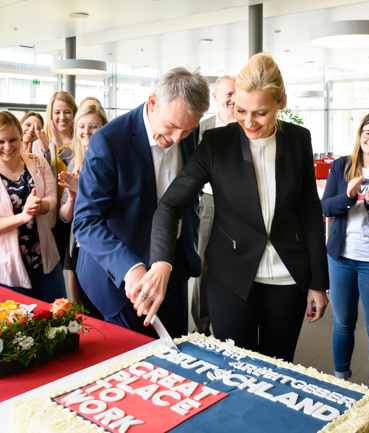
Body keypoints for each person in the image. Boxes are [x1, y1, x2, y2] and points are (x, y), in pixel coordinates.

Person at [137, 53, 330, 363]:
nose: (249, 123)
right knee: (233, 368)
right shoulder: (216, 143)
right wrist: (161, 261)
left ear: (281, 102)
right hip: (230, 277)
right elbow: (171, 204)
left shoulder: (298, 139)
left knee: (279, 368)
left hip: (289, 278)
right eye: (240, 110)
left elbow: (309, 210)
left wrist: (319, 282)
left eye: (261, 113)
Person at [72, 67, 208, 338]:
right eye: (171, 126)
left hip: (173, 270)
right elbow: (85, 222)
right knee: (131, 369)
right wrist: (130, 269)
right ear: (153, 103)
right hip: (121, 279)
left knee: (175, 358)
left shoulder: (187, 132)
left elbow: (188, 195)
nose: (178, 138)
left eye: (187, 129)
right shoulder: (108, 141)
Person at [321, 111, 369, 391]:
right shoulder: (342, 165)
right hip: (340, 257)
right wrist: (349, 196)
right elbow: (326, 208)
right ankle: (342, 381)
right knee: (342, 322)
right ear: (360, 135)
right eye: (368, 133)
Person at [0, 111, 64, 302]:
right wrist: (23, 216)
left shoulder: (37, 161)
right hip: (6, 268)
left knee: (58, 320)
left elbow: (52, 199)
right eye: (0, 142)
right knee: (18, 327)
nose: (7, 147)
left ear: (21, 136)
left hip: (44, 258)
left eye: (13, 140)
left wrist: (39, 205)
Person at [192, 74, 236, 335]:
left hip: (240, 205)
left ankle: (229, 324)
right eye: (227, 93)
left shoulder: (247, 126)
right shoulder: (201, 128)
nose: (232, 98)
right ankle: (201, 327)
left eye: (236, 93)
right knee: (203, 263)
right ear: (216, 97)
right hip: (208, 201)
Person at [59, 104, 108, 319]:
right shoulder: (73, 164)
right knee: (81, 308)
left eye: (93, 126)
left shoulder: (111, 161)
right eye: (81, 126)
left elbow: (112, 207)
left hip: (102, 245)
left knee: (102, 307)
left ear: (105, 127)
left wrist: (82, 189)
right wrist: (72, 198)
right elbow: (65, 215)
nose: (85, 132)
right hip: (77, 244)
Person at [36, 91, 77, 272]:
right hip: (52, 214)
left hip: (75, 210)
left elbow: (79, 168)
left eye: (67, 112)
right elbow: (37, 175)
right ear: (50, 114)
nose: (62, 117)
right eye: (57, 112)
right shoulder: (41, 141)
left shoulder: (81, 138)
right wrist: (45, 151)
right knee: (55, 265)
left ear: (74, 113)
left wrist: (61, 147)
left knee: (76, 266)